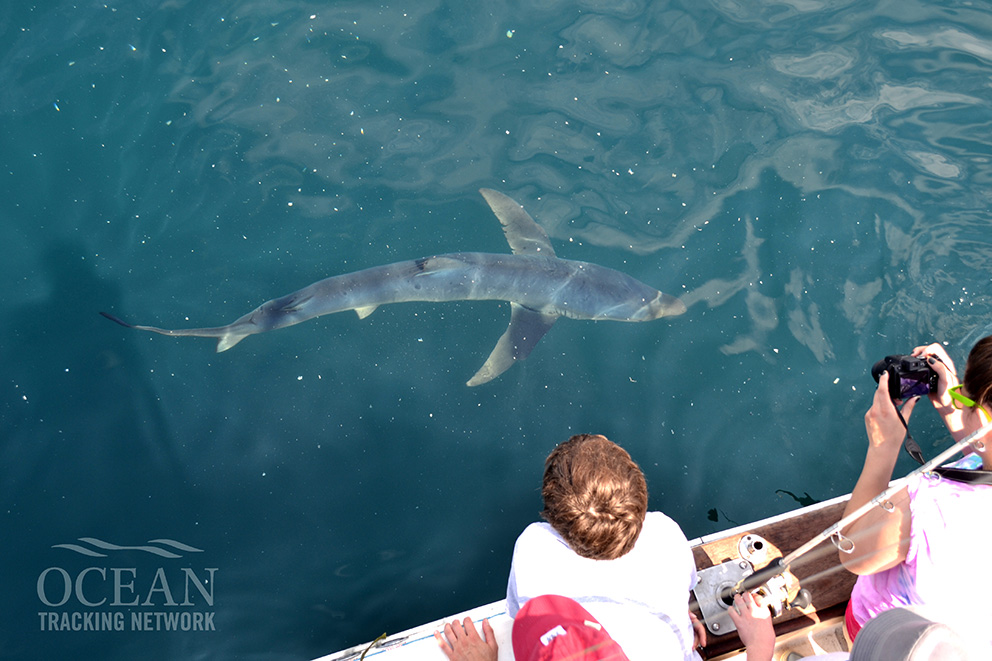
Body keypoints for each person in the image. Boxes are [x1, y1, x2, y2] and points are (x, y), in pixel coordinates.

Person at [839, 338, 992, 650]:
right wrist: (953, 409)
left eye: (966, 398)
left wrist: (882, 449)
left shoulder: (930, 506)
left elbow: (853, 553)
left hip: (887, 639)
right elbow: (984, 460)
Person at [505, 434, 704, 660]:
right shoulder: (665, 533)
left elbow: (519, 616)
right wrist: (679, 623)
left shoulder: (534, 547)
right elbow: (685, 587)